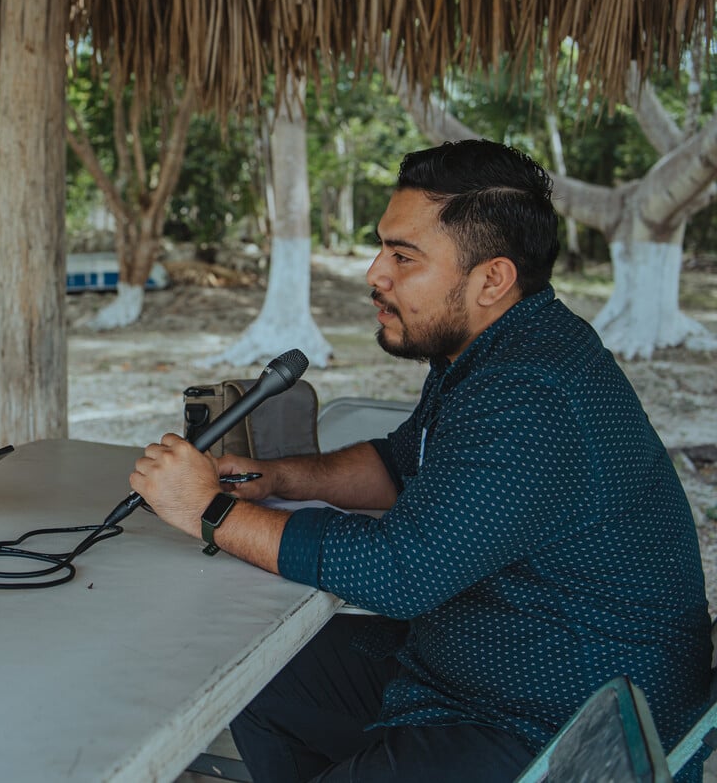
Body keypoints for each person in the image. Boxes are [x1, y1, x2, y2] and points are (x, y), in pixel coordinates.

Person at [130, 140, 712, 782]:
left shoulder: (532, 391)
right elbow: (401, 464)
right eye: (383, 247)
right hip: (480, 666)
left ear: (492, 279)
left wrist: (207, 512)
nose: (376, 273)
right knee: (254, 679)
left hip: (562, 726)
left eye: (403, 256)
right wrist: (276, 477)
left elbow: (401, 572)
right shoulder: (495, 347)